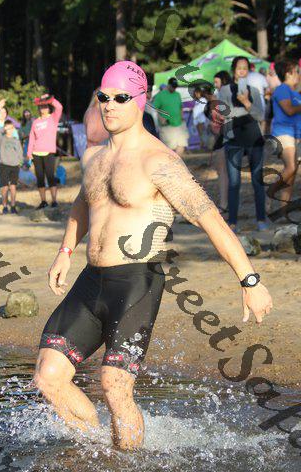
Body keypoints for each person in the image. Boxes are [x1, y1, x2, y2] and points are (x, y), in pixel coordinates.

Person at [27, 60, 273, 451]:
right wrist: (65, 251)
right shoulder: (94, 157)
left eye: (120, 98)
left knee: (114, 385)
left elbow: (210, 220)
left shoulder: (159, 161)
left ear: (140, 101)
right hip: (91, 280)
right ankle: (95, 451)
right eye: (104, 97)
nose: (109, 105)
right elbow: (83, 204)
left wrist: (250, 280)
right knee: (48, 377)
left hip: (136, 282)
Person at [218, 56, 267, 232]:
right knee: (234, 182)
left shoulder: (254, 90)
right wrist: (241, 110)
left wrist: (247, 103)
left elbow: (260, 115)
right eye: (239, 67)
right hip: (234, 139)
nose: (242, 71)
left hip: (254, 138)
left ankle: (261, 219)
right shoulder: (224, 90)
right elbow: (223, 113)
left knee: (257, 181)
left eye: (245, 68)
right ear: (233, 70)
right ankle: (233, 222)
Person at [268, 59, 301, 208]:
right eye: (297, 71)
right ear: (289, 73)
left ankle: (283, 208)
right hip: (283, 133)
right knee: (291, 168)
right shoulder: (282, 89)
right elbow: (289, 110)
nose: (299, 74)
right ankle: (270, 192)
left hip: (295, 135)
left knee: (292, 175)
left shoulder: (294, 92)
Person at [27, 93, 63, 209]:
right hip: (36, 153)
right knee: (40, 178)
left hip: (48, 152)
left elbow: (59, 107)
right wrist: (29, 152)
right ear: (39, 109)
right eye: (41, 107)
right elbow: (32, 137)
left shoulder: (53, 118)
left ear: (48, 108)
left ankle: (54, 201)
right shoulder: (35, 122)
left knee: (50, 176)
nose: (44, 109)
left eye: (45, 106)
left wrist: (49, 99)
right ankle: (43, 201)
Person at [0, 99, 18, 213]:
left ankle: (8, 204)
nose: (2, 114)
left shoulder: (10, 126)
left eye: (4, 112)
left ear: (7, 114)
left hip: (8, 158)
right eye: (0, 112)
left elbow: (16, 139)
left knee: (8, 182)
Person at [202, 84, 228, 213]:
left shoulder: (213, 105)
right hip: (222, 139)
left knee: (222, 172)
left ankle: (224, 204)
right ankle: (225, 203)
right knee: (224, 172)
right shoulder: (214, 104)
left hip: (223, 139)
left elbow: (219, 122)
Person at [153, 77, 188, 156]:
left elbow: (180, 107)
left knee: (182, 145)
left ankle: (177, 161)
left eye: (175, 86)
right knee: (169, 149)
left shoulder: (177, 94)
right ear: (168, 85)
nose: (174, 88)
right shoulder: (160, 95)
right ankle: (171, 162)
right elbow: (154, 109)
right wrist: (160, 118)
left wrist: (182, 116)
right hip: (167, 125)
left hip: (179, 124)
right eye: (172, 86)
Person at [0, 119, 23, 214]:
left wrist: (20, 162)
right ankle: (5, 206)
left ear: (13, 129)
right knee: (5, 187)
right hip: (4, 165)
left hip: (15, 165)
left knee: (13, 186)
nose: (9, 130)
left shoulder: (16, 140)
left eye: (11, 128)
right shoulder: (2, 139)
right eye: (7, 128)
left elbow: (20, 153)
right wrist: (3, 128)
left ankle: (13, 206)